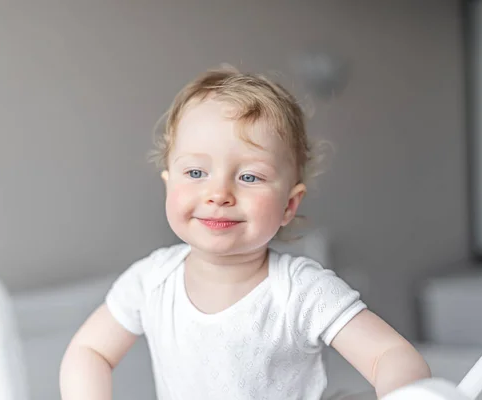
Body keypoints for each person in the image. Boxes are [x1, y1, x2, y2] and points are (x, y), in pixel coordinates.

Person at [59, 66, 431, 400]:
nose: (219, 194)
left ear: (289, 205)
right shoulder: (150, 281)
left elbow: (390, 354)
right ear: (168, 186)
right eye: (196, 173)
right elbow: (90, 351)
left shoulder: (301, 292)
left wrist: (403, 393)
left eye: (249, 177)